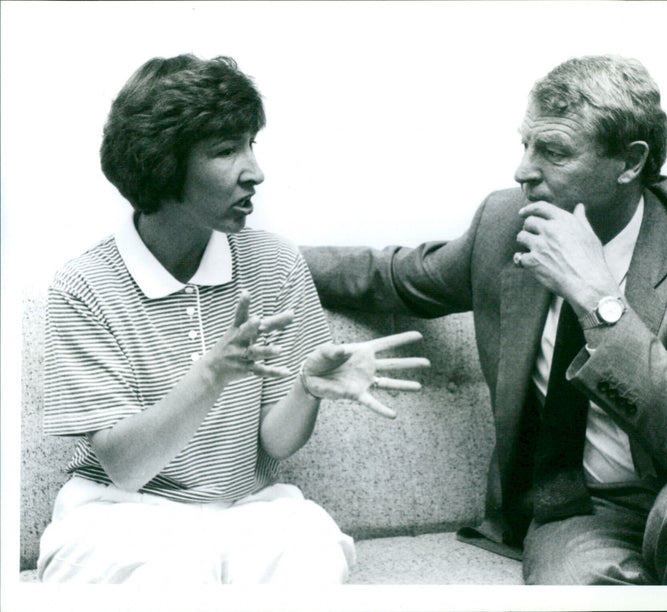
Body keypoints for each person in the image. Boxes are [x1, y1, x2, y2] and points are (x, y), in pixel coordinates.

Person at [301, 55, 667, 585]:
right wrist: (254, 255)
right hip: (586, 506)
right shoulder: (506, 225)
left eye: (554, 152)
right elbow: (394, 275)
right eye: (525, 144)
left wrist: (598, 298)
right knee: (573, 584)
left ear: (630, 163)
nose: (523, 170)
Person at [37, 54, 428, 585]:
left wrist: (306, 390)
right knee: (172, 576)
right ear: (163, 164)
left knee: (313, 552)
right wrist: (212, 373)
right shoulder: (84, 286)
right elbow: (126, 469)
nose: (255, 172)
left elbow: (275, 443)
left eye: (250, 145)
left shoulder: (275, 264)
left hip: (248, 510)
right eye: (225, 151)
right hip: (117, 515)